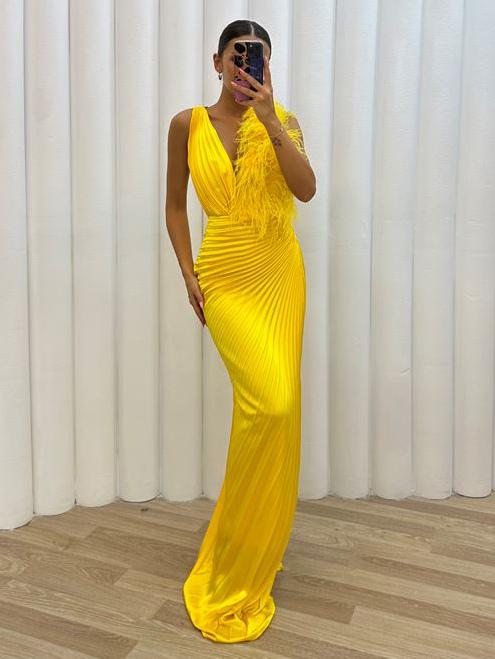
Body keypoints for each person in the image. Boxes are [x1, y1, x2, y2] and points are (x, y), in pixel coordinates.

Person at [165, 19, 316, 643]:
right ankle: (234, 551)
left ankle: (252, 547)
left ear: (266, 66)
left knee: (275, 410)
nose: (243, 66)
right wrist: (187, 273)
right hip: (224, 275)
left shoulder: (283, 122)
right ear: (217, 61)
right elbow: (175, 204)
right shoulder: (187, 124)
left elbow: (306, 191)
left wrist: (271, 118)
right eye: (236, 55)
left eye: (256, 58)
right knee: (265, 404)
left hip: (278, 272)